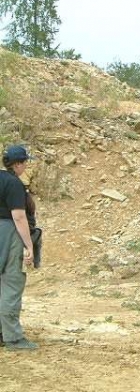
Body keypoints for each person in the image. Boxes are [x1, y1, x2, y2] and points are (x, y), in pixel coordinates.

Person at [0, 145, 38, 350]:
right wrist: (29, 245)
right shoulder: (14, 183)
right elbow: (19, 216)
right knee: (12, 282)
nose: (25, 166)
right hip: (9, 232)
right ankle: (13, 338)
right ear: (17, 164)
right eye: (24, 162)